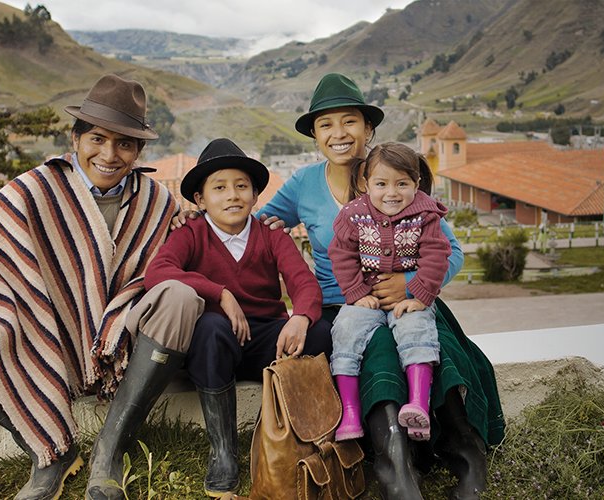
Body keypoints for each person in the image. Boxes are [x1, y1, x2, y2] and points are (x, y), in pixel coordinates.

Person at [0, 75, 203, 500]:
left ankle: (109, 449)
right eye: (98, 139)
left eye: (124, 144)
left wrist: (235, 227)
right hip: (45, 339)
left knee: (180, 298)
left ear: (138, 151)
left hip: (119, 346)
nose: (109, 155)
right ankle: (50, 453)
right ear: (75, 138)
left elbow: (200, 243)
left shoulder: (157, 202)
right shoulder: (35, 188)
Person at [257, 73, 502, 499]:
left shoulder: (396, 178)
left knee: (438, 346)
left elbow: (452, 251)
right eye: (326, 124)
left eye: (349, 121)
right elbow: (256, 226)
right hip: (341, 305)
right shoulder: (302, 184)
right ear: (315, 135)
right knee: (380, 351)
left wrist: (410, 285)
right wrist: (197, 223)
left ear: (368, 128)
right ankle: (398, 475)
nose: (338, 133)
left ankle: (468, 460)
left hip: (411, 300)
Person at [144, 138, 332, 497]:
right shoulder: (191, 233)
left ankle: (289, 437)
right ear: (200, 199)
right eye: (219, 188)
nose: (232, 195)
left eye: (241, 186)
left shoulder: (272, 235)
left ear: (255, 195)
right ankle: (223, 450)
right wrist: (220, 293)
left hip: (266, 342)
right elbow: (158, 273)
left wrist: (300, 318)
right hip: (216, 346)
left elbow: (304, 282)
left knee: (321, 331)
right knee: (210, 326)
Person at [328, 143, 450, 442]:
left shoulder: (426, 214)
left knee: (416, 328)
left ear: (416, 183)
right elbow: (341, 254)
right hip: (365, 298)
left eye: (402, 184)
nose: (391, 193)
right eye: (381, 184)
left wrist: (419, 296)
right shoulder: (353, 214)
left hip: (408, 299)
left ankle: (418, 403)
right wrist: (356, 293)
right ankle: (350, 412)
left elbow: (436, 255)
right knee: (345, 329)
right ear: (366, 183)